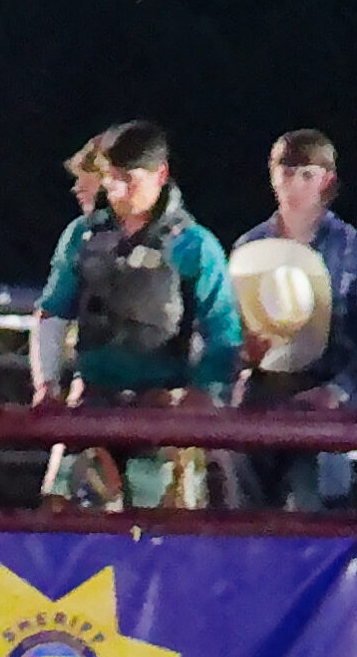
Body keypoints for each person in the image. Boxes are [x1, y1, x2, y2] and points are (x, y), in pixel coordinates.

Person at [33, 121, 242, 510]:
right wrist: (47, 384)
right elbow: (53, 312)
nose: (117, 190)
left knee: (163, 528)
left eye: (128, 180)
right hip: (91, 406)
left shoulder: (194, 246)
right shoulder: (82, 236)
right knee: (60, 519)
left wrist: (203, 392)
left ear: (160, 174)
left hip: (163, 414)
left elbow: (224, 331)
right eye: (111, 179)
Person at [229, 130, 357, 510]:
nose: (295, 185)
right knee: (247, 510)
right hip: (263, 394)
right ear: (273, 176)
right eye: (287, 173)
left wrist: (338, 391)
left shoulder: (350, 249)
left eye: (307, 175)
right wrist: (243, 355)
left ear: (327, 180)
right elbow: (224, 331)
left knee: (315, 508)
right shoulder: (249, 248)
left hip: (329, 398)